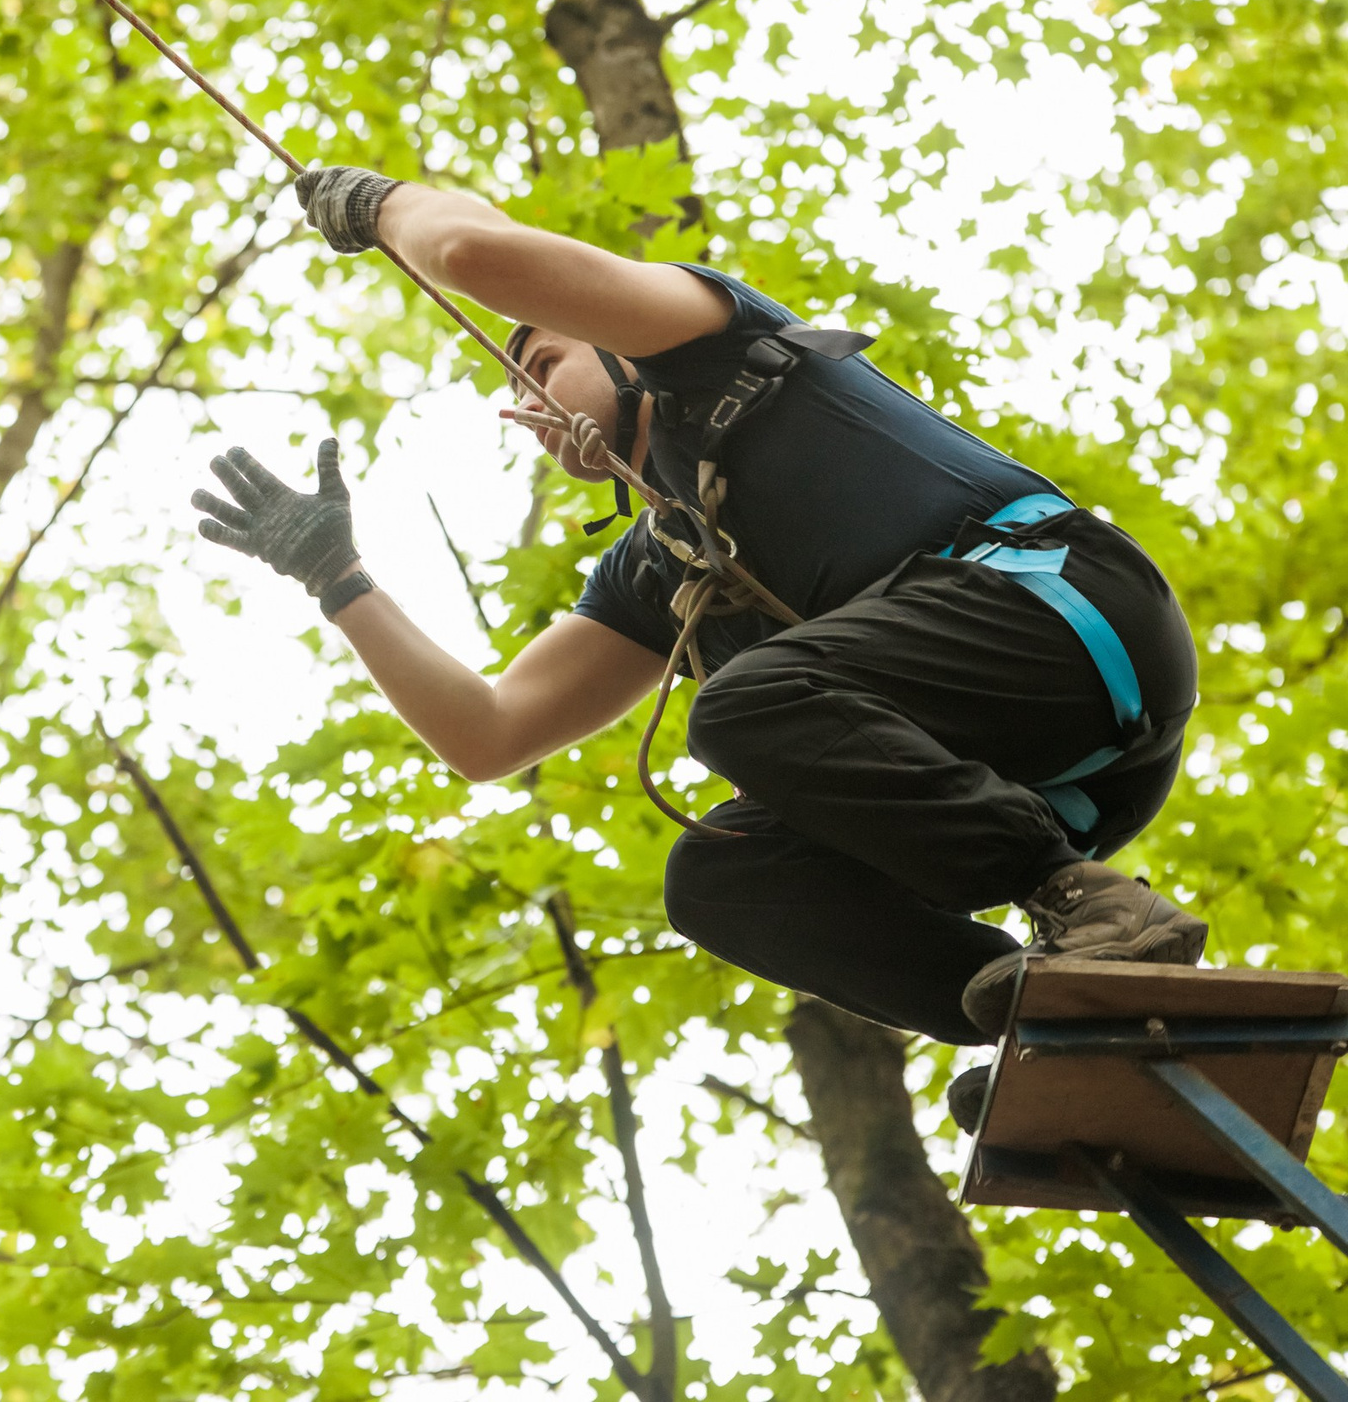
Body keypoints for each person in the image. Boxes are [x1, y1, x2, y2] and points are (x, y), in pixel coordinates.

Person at [190, 166, 1203, 1111]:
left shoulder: (714, 342)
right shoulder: (659, 565)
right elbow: (488, 734)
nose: (526, 398)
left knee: (746, 705)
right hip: (1045, 773)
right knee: (719, 876)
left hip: (1064, 617)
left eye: (541, 358)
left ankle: (1074, 898)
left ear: (616, 341)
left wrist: (386, 204)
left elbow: (466, 259)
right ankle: (1050, 1016)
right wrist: (339, 581)